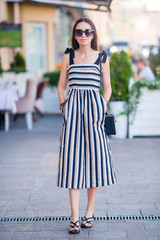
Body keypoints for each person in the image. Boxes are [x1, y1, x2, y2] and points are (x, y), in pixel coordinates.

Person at [57, 17, 117, 234]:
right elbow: (62, 85)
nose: (83, 35)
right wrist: (65, 107)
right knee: (72, 161)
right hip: (72, 114)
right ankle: (74, 216)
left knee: (95, 161)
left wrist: (101, 105)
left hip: (94, 114)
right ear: (74, 35)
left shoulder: (102, 57)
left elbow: (107, 87)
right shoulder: (68, 55)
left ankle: (89, 212)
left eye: (88, 31)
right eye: (79, 32)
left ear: (93, 33)